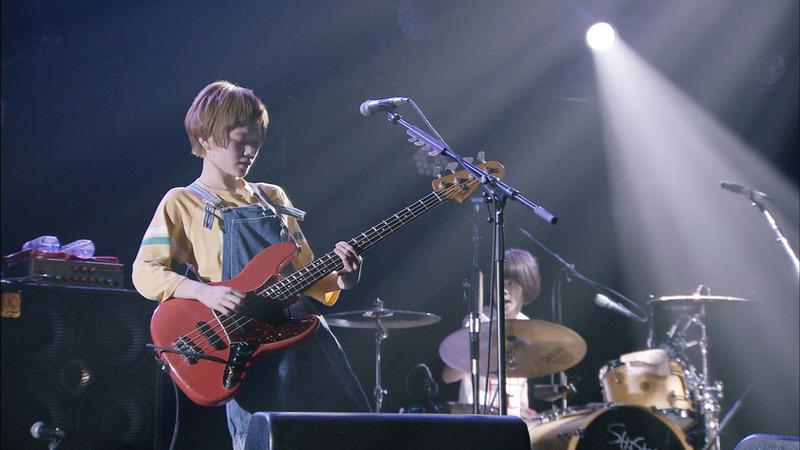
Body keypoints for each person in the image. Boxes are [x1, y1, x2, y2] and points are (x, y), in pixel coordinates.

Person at [132, 80, 371, 450]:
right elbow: (145, 271)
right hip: (248, 351)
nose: (251, 151)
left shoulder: (273, 197)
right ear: (207, 138)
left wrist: (342, 280)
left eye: (257, 142)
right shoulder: (181, 203)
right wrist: (204, 293)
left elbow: (307, 274)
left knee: (348, 435)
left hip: (303, 339)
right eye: (241, 141)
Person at [441, 248, 541, 422]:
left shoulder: (528, 326)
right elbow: (448, 376)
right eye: (499, 283)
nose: (503, 289)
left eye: (510, 283)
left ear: (526, 286)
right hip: (477, 423)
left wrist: (524, 408)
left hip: (511, 425)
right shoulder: (478, 320)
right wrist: (481, 345)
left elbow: (520, 383)